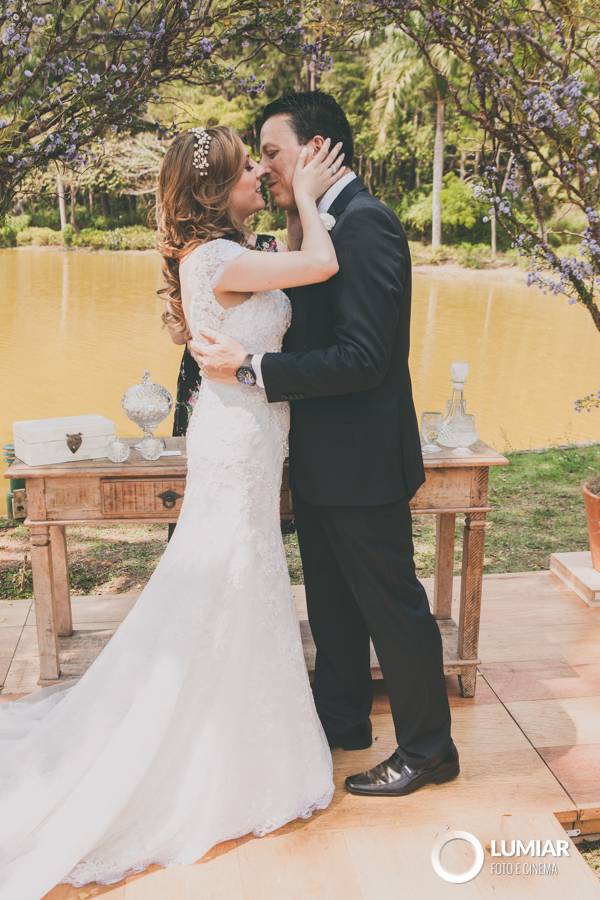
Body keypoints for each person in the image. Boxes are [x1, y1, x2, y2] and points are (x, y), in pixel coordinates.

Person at [0, 124, 346, 899]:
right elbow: (321, 263)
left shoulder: (216, 254)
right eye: (246, 169)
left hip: (242, 434)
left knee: (232, 574)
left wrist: (297, 206)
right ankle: (217, 746)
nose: (261, 173)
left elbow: (292, 267)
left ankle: (233, 724)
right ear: (217, 191)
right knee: (230, 574)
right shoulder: (220, 259)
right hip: (238, 438)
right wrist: (316, 198)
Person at [190, 92, 459, 798]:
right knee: (334, 606)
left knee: (393, 608)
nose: (265, 168)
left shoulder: (367, 227)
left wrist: (254, 370)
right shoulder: (309, 228)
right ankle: (342, 719)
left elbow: (365, 358)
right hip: (315, 462)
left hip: (364, 462)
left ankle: (430, 750)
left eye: (272, 153)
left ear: (313, 150)